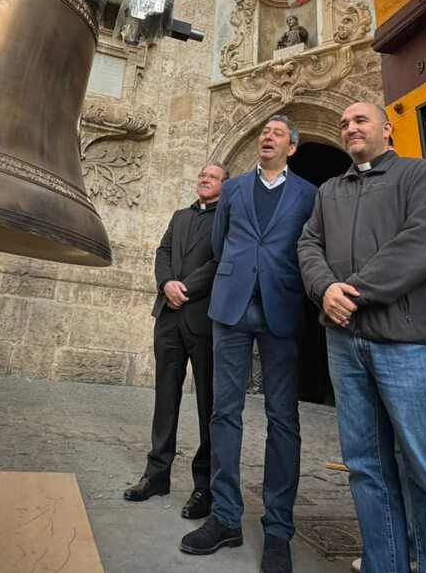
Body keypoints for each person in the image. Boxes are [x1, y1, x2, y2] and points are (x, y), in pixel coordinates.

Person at [298, 102, 426, 573]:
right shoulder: (329, 190)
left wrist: (351, 292)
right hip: (344, 342)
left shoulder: (419, 175)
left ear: (386, 129)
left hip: (407, 342)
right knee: (366, 468)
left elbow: (425, 240)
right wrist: (323, 288)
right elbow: (308, 244)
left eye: (360, 121)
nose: (350, 129)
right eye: (343, 125)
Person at [180, 115, 317, 573]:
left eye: (278, 133)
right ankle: (225, 517)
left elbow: (308, 247)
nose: (268, 137)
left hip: (280, 308)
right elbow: (222, 244)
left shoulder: (309, 194)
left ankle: (278, 530)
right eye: (265, 132)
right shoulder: (234, 188)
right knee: (225, 411)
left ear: (292, 148)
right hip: (231, 307)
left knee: (283, 419)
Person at [124, 163, 227, 519]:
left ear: (223, 186)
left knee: (207, 405)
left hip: (202, 319)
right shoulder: (180, 216)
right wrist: (166, 283)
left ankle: (204, 486)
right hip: (168, 318)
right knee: (164, 398)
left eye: (213, 176)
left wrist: (185, 289)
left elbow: (219, 262)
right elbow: (162, 252)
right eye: (202, 174)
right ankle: (157, 475)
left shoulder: (225, 219)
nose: (204, 179)